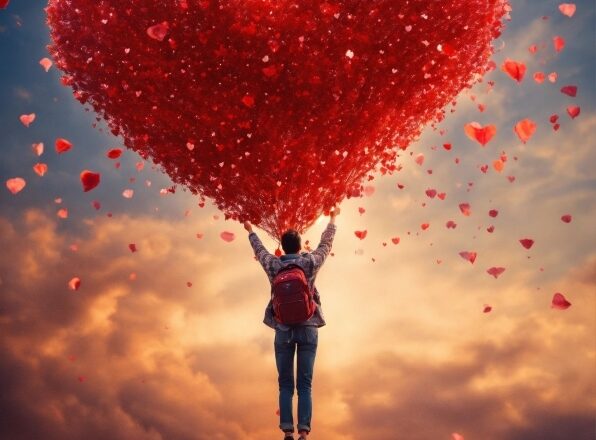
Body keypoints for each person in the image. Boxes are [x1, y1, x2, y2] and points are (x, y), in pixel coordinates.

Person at [244, 207, 339, 440]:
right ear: (299, 246)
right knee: (305, 383)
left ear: (283, 247)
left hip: (283, 329)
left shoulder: (274, 265)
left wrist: (250, 230)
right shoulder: (309, 264)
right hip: (308, 327)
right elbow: (326, 246)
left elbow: (260, 250)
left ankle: (287, 430)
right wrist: (333, 218)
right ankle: (304, 433)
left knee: (285, 383)